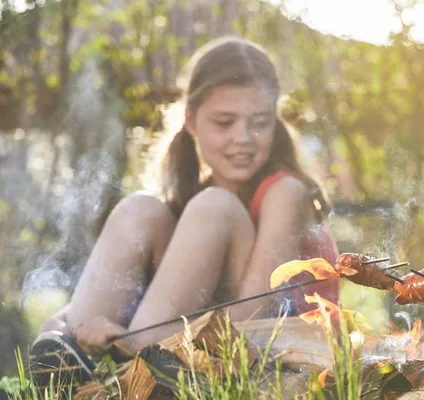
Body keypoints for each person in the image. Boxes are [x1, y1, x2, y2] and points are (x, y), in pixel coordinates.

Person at [35, 36, 340, 360]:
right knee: (140, 210)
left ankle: (137, 360)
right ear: (191, 121)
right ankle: (69, 359)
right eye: (224, 122)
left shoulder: (286, 192)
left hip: (288, 354)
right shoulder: (199, 201)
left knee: (217, 206)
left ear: (274, 120)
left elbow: (249, 318)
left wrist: (128, 342)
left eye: (259, 122)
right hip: (210, 347)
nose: (242, 138)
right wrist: (64, 323)